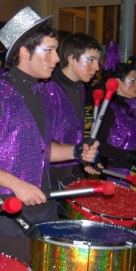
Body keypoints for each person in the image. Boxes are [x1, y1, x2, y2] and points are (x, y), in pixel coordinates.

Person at [0, 7, 98, 264]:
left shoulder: (43, 93)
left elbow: (42, 149)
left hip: (46, 210)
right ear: (24, 52)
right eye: (48, 50)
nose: (56, 58)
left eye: (56, 50)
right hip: (10, 217)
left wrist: (76, 151)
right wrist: (16, 185)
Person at [43, 32, 101, 190]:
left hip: (72, 170)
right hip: (49, 174)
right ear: (71, 58)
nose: (96, 67)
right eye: (90, 60)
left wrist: (86, 156)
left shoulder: (81, 87)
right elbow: (42, 137)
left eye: (97, 61)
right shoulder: (48, 87)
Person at [97, 59, 136, 171]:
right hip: (120, 173)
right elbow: (100, 144)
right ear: (118, 83)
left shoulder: (132, 105)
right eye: (132, 81)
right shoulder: (109, 108)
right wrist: (129, 156)